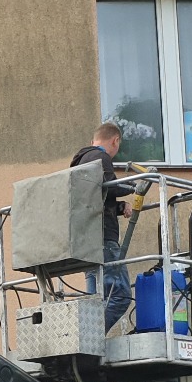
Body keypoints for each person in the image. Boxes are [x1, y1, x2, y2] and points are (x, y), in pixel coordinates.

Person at [70, 122, 138, 333]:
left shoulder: (78, 163)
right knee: (120, 296)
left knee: (94, 300)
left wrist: (118, 207)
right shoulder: (102, 158)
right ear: (115, 141)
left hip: (86, 241)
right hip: (103, 240)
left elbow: (96, 198)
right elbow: (112, 186)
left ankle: (86, 338)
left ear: (93, 141)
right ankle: (90, 337)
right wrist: (136, 184)